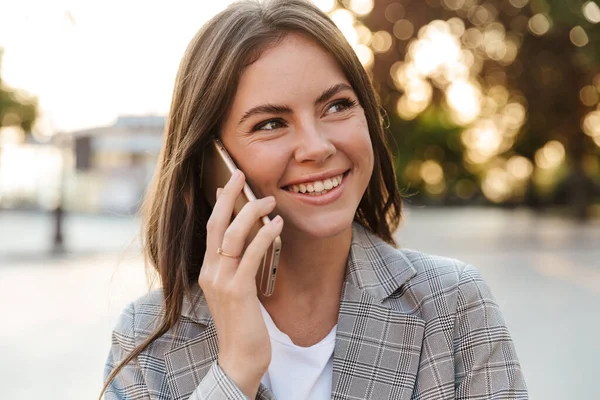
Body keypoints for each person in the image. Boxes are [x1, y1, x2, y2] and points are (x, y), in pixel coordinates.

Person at [102, 0, 528, 399]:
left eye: (337, 106)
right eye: (271, 123)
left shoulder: (454, 305)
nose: (317, 146)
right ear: (214, 162)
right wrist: (233, 373)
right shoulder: (146, 345)